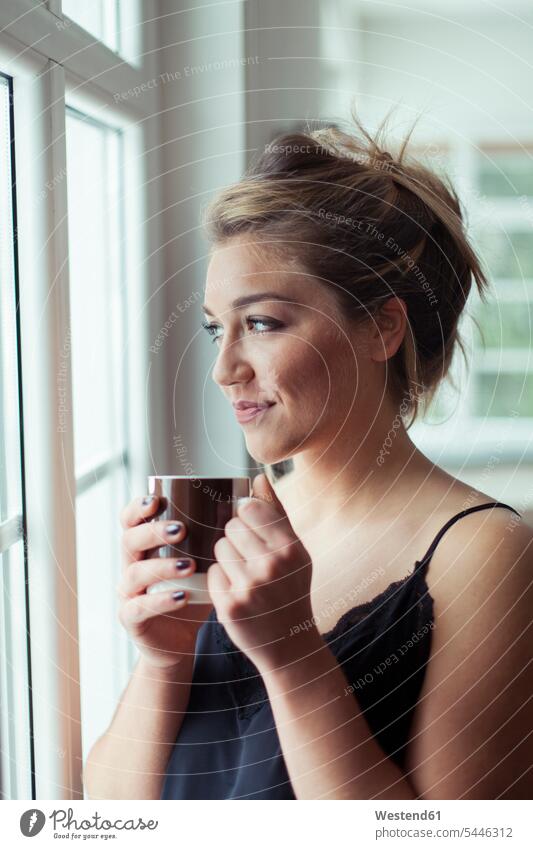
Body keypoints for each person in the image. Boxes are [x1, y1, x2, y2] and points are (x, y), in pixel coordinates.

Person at [83, 109, 533, 800]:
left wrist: (294, 658)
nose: (223, 368)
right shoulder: (238, 526)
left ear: (382, 326)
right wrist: (160, 659)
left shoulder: (484, 552)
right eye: (215, 329)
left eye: (260, 323)